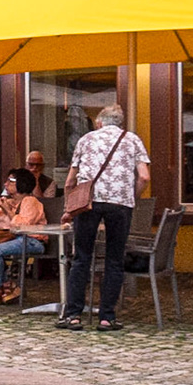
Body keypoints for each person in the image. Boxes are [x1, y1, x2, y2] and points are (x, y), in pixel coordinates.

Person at [57, 103, 150, 332]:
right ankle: (107, 317)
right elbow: (144, 177)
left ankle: (74, 315)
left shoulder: (86, 139)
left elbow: (70, 181)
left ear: (99, 122)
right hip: (120, 204)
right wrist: (131, 196)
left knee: (82, 258)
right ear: (120, 123)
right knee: (114, 259)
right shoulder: (133, 140)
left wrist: (69, 206)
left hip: (89, 202)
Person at [0, 168, 48, 304]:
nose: (6, 184)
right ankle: (7, 284)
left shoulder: (30, 201)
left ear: (22, 183)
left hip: (31, 240)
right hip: (7, 239)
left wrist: (8, 211)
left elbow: (22, 226)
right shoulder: (7, 201)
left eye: (11, 181)